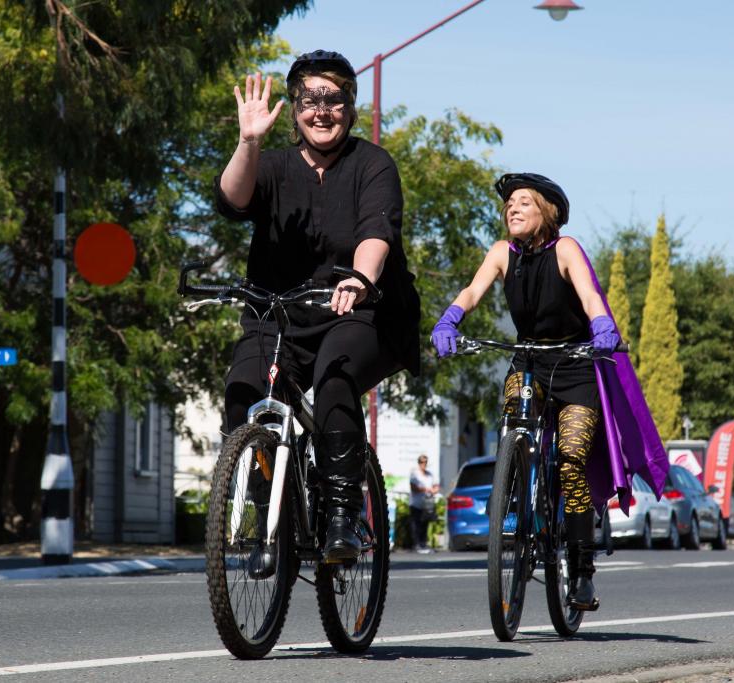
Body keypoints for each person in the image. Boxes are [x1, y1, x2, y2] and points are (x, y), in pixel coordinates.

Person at [214, 50, 421, 564]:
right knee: (243, 392)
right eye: (309, 99)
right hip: (280, 313)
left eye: (333, 99)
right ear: (295, 109)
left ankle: (344, 517)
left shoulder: (372, 164)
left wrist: (359, 276)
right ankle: (263, 519)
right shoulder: (274, 165)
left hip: (361, 313)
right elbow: (233, 200)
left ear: (350, 107)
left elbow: (378, 232)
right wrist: (248, 141)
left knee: (334, 379)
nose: (321, 110)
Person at [431, 172, 667, 611]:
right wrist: (450, 318)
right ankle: (516, 481)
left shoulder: (566, 248)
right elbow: (473, 289)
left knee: (573, 460)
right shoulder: (502, 253)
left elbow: (590, 294)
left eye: (523, 202)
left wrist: (601, 325)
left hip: (576, 365)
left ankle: (581, 571)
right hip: (530, 362)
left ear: (547, 212)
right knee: (514, 419)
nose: (512, 209)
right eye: (508, 205)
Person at [409, 455, 439, 553]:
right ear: (419, 463)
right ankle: (416, 544)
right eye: (422, 462)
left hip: (426, 505)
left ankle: (423, 543)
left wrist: (433, 490)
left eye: (425, 462)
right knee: (416, 524)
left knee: (425, 524)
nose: (424, 464)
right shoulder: (415, 474)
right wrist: (426, 489)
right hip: (416, 503)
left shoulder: (429, 474)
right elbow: (413, 487)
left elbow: (436, 486)